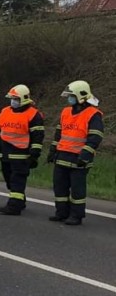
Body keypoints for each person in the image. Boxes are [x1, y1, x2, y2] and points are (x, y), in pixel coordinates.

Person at [46, 80, 104, 225]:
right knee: (60, 187)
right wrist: (52, 151)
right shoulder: (65, 112)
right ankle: (61, 212)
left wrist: (85, 155)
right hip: (62, 156)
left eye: (71, 96)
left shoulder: (93, 114)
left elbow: (95, 137)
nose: (69, 99)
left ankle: (76, 216)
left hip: (79, 158)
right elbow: (59, 134)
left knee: (77, 190)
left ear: (81, 96)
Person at [0, 84, 44, 215]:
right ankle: (19, 200)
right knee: (9, 180)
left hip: (21, 154)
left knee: (17, 179)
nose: (13, 101)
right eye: (12, 98)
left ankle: (14, 206)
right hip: (5, 153)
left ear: (24, 99)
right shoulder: (5, 111)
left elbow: (38, 136)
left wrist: (34, 154)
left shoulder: (33, 115)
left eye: (16, 99)